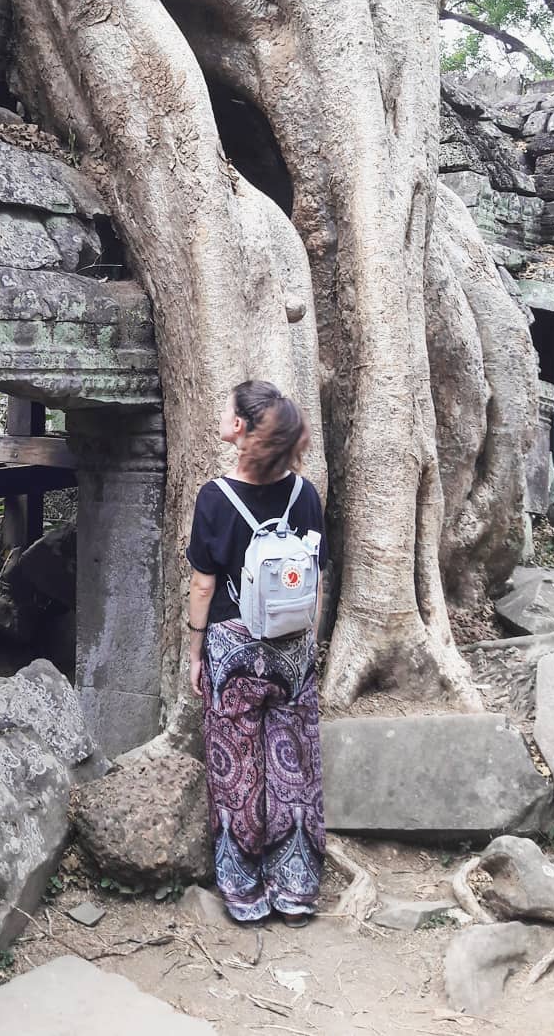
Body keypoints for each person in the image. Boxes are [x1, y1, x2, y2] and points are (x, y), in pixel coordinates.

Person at [186, 380, 327, 924]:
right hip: (292, 650)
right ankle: (295, 889)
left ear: (241, 429)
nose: (223, 413)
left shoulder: (215, 499)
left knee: (238, 771)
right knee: (294, 767)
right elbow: (316, 576)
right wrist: (304, 640)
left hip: (232, 646)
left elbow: (202, 584)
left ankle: (244, 892)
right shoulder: (305, 496)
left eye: (228, 409)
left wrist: (197, 650)